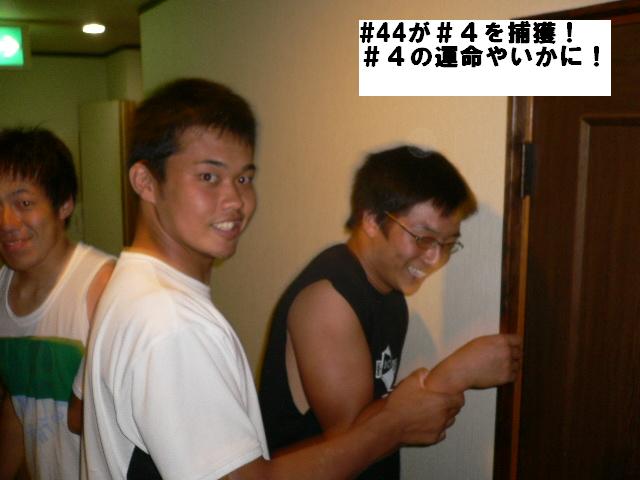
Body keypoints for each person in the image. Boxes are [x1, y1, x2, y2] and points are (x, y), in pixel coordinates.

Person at [82, 78, 468, 480]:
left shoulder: (133, 287)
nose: (235, 200)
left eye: (244, 178)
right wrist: (396, 424)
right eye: (209, 177)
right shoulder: (171, 322)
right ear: (146, 182)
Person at [259, 145, 523, 479]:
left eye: (447, 244)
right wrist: (454, 374)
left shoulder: (390, 292)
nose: (435, 259)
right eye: (423, 238)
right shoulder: (329, 300)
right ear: (372, 219)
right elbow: (353, 446)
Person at [0, 127, 115, 479]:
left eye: (24, 203)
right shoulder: (1, 290)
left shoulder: (102, 288)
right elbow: (18, 408)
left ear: (64, 203)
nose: (6, 223)